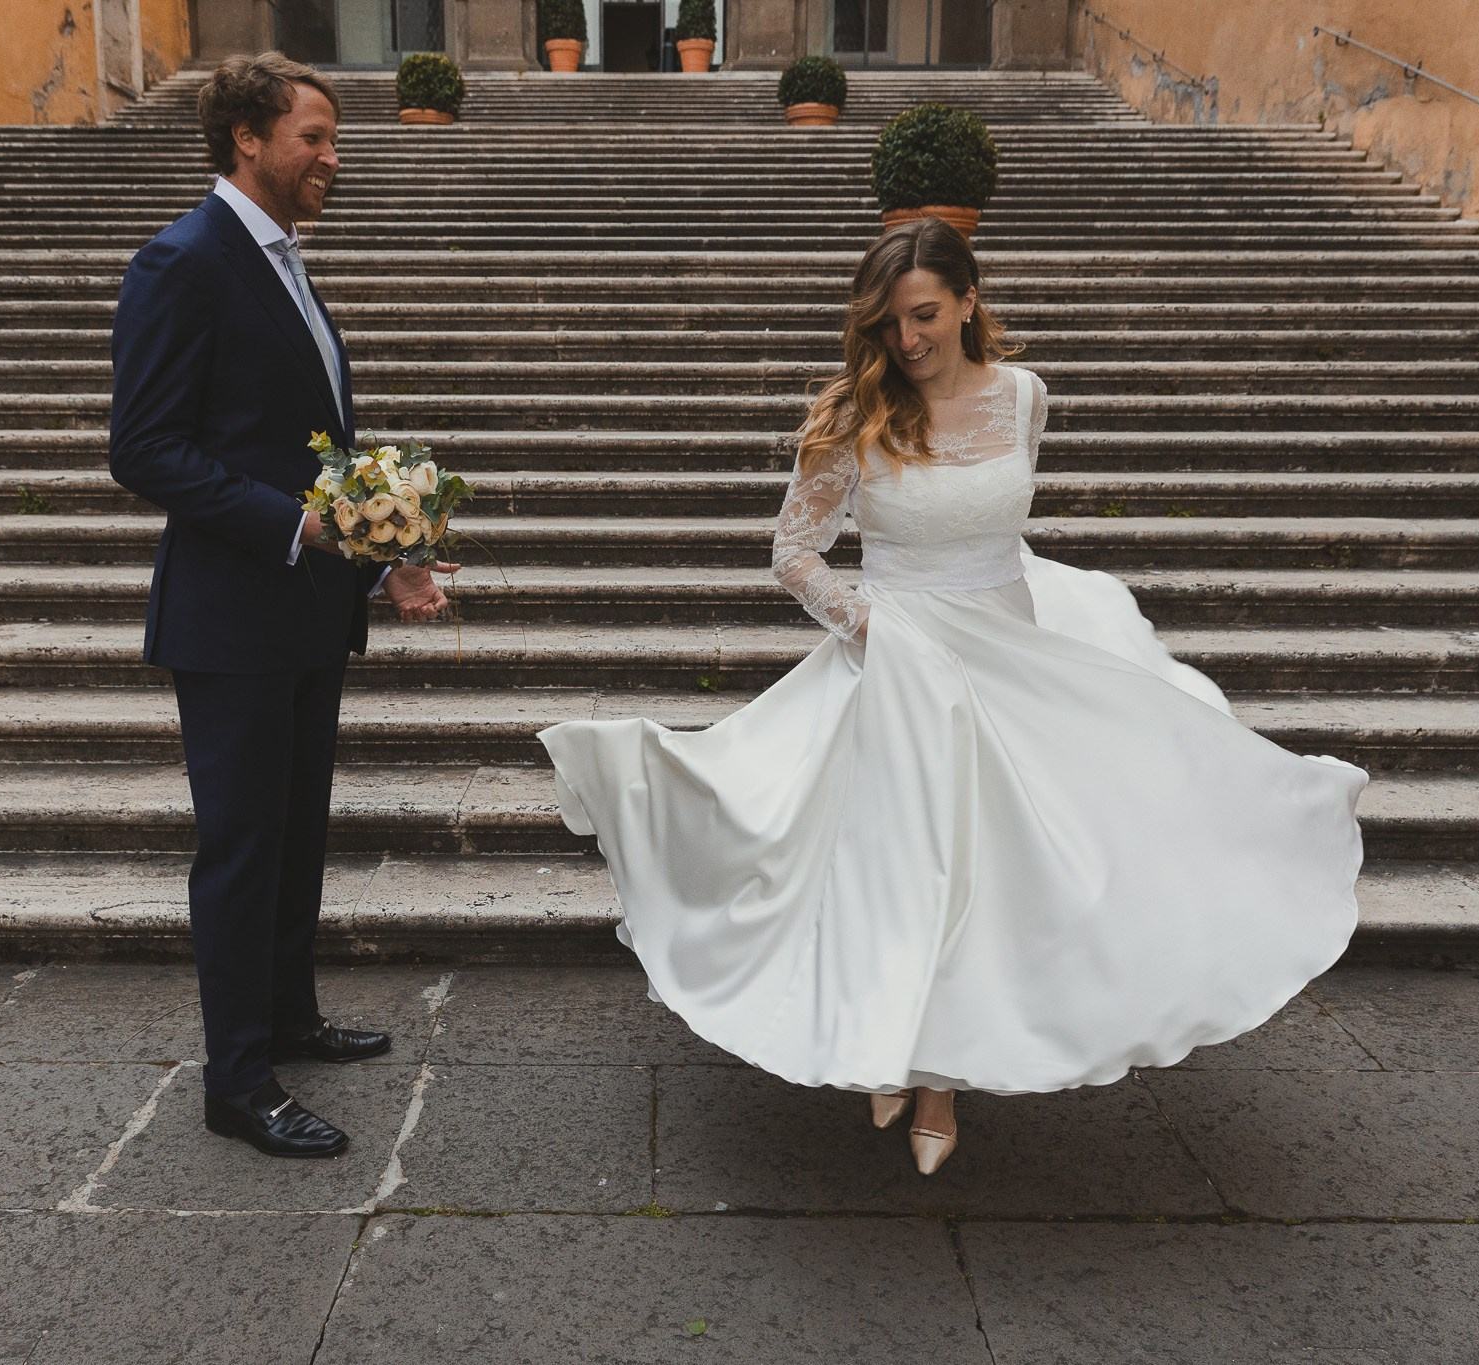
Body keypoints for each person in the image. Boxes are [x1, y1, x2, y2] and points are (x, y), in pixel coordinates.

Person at [539, 219, 1367, 1176]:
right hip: (894, 660)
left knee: (1011, 871)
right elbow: (792, 554)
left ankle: (937, 1070)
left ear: (970, 300)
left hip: (1012, 654)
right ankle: (900, 1053)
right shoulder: (856, 412)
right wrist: (875, 631)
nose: (908, 340)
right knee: (905, 868)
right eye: (889, 323)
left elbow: (1002, 529)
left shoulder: (1026, 396)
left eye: (925, 314)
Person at [108, 52, 456, 1158]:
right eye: (313, 137)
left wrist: (379, 549)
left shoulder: (284, 260)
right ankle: (236, 1079)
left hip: (305, 610)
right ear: (248, 140)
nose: (331, 158)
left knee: (296, 832)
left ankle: (289, 1019)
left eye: (332, 138)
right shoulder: (183, 261)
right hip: (230, 613)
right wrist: (291, 524)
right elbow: (145, 450)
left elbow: (314, 448)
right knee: (244, 848)